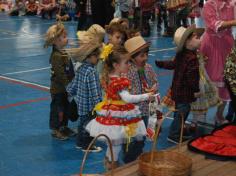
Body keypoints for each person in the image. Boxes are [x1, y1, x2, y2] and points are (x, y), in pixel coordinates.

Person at [86, 45, 155, 169]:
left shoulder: (110, 77)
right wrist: (146, 96)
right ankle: (113, 167)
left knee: (113, 144)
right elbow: (127, 98)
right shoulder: (119, 81)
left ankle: (110, 164)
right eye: (126, 62)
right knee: (116, 144)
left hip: (110, 112)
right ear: (116, 65)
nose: (129, 64)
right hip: (117, 114)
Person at [155, 26, 201, 144]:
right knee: (183, 111)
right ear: (188, 42)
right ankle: (174, 134)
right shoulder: (192, 58)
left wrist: (161, 64)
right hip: (185, 92)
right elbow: (192, 78)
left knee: (178, 111)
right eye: (196, 37)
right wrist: (196, 90)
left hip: (177, 90)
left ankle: (177, 130)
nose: (199, 39)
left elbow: (172, 64)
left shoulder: (182, 54)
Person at [200, 0, 236, 125]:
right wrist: (233, 22)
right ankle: (200, 115)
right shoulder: (209, 5)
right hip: (210, 46)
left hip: (227, 44)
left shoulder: (232, 4)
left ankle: (219, 115)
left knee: (227, 80)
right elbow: (215, 25)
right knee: (205, 82)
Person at [123, 36, 158, 163]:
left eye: (146, 54)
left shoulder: (148, 68)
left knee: (142, 135)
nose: (146, 58)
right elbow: (125, 92)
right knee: (132, 136)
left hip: (145, 110)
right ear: (132, 57)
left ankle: (135, 151)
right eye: (142, 56)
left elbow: (155, 81)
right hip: (132, 111)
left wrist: (154, 87)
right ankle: (129, 157)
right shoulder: (127, 71)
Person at [66, 41, 103, 152]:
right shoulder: (91, 72)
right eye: (96, 56)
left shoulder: (81, 69)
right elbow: (94, 92)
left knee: (82, 124)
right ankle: (87, 146)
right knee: (89, 127)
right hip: (90, 107)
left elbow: (74, 84)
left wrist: (69, 92)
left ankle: (79, 143)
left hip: (81, 104)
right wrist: (99, 106)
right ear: (89, 57)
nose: (98, 58)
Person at [44, 23, 76, 140]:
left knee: (66, 108)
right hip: (58, 89)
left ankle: (63, 127)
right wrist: (69, 85)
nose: (66, 39)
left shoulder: (63, 52)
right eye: (63, 37)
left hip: (66, 88)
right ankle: (55, 129)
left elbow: (70, 69)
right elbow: (60, 73)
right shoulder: (56, 56)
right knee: (58, 110)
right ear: (56, 40)